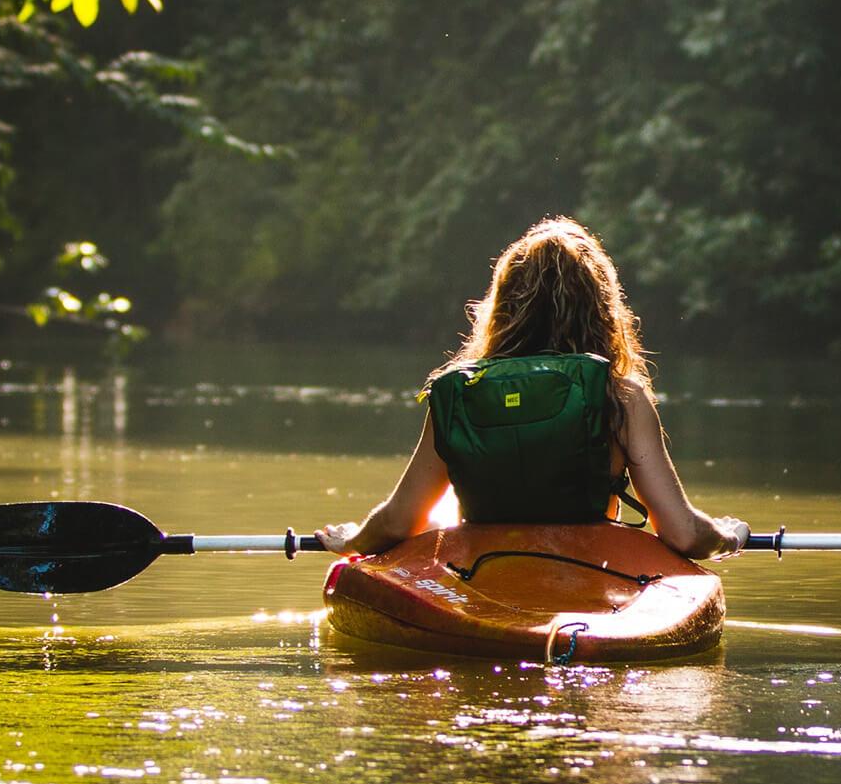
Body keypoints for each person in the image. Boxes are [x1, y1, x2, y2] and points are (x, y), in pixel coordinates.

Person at [315, 217, 749, 561]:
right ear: (602, 309)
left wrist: (354, 539)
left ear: (503, 306)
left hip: (482, 572)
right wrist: (728, 536)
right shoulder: (622, 398)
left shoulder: (461, 394)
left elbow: (397, 523)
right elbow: (683, 534)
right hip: (591, 572)